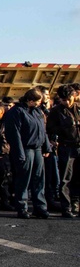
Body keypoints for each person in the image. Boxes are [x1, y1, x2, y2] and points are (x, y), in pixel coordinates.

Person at [5, 87, 52, 219]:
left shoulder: (37, 111)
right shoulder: (16, 112)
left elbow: (42, 130)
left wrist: (46, 147)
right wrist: (19, 153)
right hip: (25, 149)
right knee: (23, 179)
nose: (39, 104)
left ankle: (40, 207)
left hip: (37, 149)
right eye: (37, 101)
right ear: (30, 100)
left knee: (39, 179)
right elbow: (14, 135)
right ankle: (22, 207)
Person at [46, 85, 80, 218]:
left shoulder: (78, 108)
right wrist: (63, 131)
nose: (67, 102)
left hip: (78, 146)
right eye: (64, 99)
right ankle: (66, 207)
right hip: (67, 147)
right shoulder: (56, 112)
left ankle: (76, 203)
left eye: (69, 98)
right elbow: (50, 129)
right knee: (66, 178)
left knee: (78, 177)